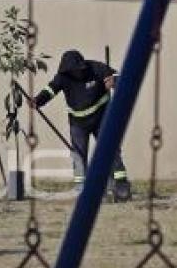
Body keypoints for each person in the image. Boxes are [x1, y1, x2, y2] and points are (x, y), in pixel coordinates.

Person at [32, 49, 131, 200]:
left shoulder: (96, 68)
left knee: (110, 149)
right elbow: (50, 90)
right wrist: (38, 100)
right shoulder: (62, 77)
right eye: (74, 71)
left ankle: (121, 186)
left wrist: (115, 81)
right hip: (78, 123)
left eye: (80, 69)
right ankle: (82, 190)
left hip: (102, 117)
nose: (79, 72)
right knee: (78, 156)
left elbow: (118, 76)